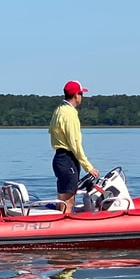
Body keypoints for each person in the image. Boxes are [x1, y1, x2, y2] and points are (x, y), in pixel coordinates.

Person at [49, 80, 99, 212]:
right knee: (68, 200)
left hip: (59, 158)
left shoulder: (58, 110)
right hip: (68, 159)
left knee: (62, 197)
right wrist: (88, 167)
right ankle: (65, 227)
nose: (82, 97)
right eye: (81, 94)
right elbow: (75, 144)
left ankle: (59, 222)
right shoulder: (70, 115)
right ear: (76, 95)